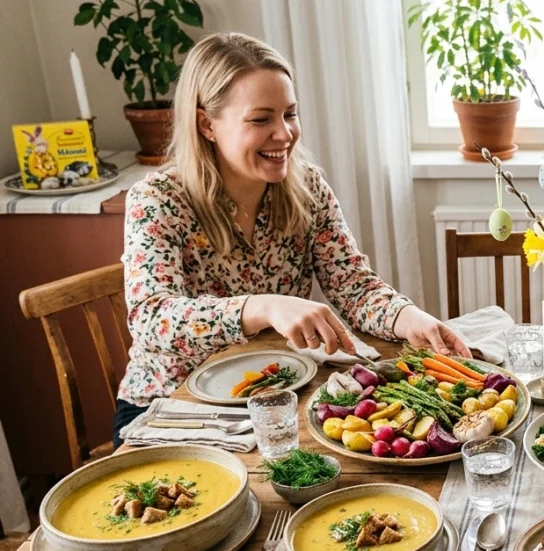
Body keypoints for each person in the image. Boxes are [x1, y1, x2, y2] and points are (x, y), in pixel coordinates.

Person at [113, 33, 468, 446]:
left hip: (276, 400)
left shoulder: (306, 188)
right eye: (261, 119)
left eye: (290, 114)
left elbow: (353, 287)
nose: (284, 134)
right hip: (171, 409)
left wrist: (412, 320)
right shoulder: (158, 199)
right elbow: (152, 317)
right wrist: (263, 307)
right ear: (206, 123)